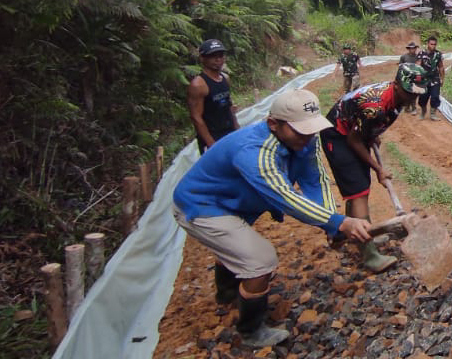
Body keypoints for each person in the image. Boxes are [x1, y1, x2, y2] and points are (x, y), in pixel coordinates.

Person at [173, 89, 372, 348]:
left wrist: (330, 221)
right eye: (300, 130)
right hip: (201, 205)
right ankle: (251, 331)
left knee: (236, 245)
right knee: (261, 259)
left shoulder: (304, 141)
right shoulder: (255, 152)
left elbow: (315, 179)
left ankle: (228, 294)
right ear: (273, 124)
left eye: (311, 129)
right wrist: (339, 222)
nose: (308, 136)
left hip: (233, 202)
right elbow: (285, 198)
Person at [320, 63, 428, 272]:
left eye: (416, 94)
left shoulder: (395, 101)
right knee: (358, 191)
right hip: (337, 135)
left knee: (360, 186)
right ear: (396, 85)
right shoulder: (374, 107)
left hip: (353, 131)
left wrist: (372, 135)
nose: (412, 98)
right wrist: (378, 168)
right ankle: (368, 254)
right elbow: (354, 140)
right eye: (409, 92)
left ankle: (359, 236)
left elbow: (365, 129)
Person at [188, 39, 239, 154]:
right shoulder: (199, 85)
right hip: (213, 135)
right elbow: (196, 117)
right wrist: (211, 143)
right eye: (213, 56)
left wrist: (236, 128)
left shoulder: (225, 78)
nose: (218, 60)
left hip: (229, 132)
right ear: (202, 58)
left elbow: (228, 104)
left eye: (221, 56)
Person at [415, 36, 445, 121]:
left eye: (435, 44)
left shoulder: (438, 54)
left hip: (435, 79)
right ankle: (423, 111)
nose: (433, 46)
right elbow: (417, 67)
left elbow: (441, 67)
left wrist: (442, 79)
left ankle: (433, 114)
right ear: (428, 44)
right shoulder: (422, 53)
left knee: (435, 97)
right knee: (423, 98)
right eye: (431, 44)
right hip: (424, 80)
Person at [398, 42, 420, 113]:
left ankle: (414, 108)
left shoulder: (418, 57)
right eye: (411, 48)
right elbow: (400, 67)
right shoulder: (404, 57)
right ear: (409, 49)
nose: (413, 50)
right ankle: (407, 107)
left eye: (414, 48)